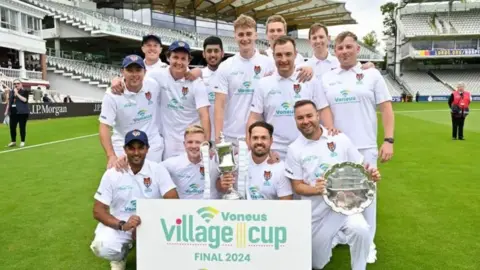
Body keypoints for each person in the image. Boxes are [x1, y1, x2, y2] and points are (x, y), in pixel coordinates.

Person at [321, 31, 394, 262]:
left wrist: (388, 140)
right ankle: (339, 235)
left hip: (365, 146)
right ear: (335, 51)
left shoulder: (371, 75)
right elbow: (324, 109)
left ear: (357, 49)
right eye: (340, 48)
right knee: (336, 195)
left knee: (367, 198)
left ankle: (368, 243)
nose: (344, 51)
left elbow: (386, 109)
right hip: (337, 148)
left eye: (348, 47)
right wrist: (331, 129)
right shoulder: (327, 77)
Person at [284, 100, 381, 270]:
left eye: (309, 116)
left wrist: (370, 176)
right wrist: (316, 189)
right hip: (316, 215)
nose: (305, 121)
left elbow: (359, 169)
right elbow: (297, 186)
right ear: (295, 121)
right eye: (300, 118)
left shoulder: (339, 139)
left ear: (317, 115)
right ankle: (336, 237)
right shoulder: (294, 149)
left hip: (343, 208)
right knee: (315, 264)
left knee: (361, 229)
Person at [90, 129, 179, 270]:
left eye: (140, 148)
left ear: (147, 149)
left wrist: (151, 224)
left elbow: (173, 201)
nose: (136, 153)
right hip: (121, 224)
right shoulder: (112, 174)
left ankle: (148, 247)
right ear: (125, 149)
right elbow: (98, 211)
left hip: (152, 223)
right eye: (131, 148)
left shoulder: (157, 170)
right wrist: (122, 225)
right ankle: (121, 255)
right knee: (102, 247)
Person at [247, 36, 334, 160]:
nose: (284, 59)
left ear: (295, 55)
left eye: (288, 54)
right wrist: (253, 146)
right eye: (279, 55)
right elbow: (255, 117)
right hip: (274, 153)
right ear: (273, 56)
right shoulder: (263, 83)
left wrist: (328, 138)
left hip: (307, 150)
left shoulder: (310, 80)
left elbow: (323, 109)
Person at [211, 14, 276, 145]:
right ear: (235, 36)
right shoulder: (225, 66)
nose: (245, 38)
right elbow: (219, 105)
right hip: (231, 136)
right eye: (241, 34)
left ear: (255, 35)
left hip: (259, 136)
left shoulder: (268, 64)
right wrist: (218, 137)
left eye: (248, 34)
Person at [99, 54, 164, 168]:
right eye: (130, 70)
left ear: (145, 71)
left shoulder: (153, 85)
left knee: (152, 183)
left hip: (152, 145)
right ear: (122, 72)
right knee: (124, 184)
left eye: (138, 70)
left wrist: (197, 71)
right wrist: (111, 156)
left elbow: (176, 71)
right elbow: (104, 126)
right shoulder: (112, 95)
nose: (134, 75)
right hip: (123, 146)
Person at [155, 40, 211, 159]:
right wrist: (119, 80)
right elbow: (136, 77)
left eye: (183, 58)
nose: (179, 62)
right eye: (175, 57)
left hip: (192, 143)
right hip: (168, 144)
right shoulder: (158, 75)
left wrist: (206, 143)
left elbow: (204, 115)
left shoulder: (197, 83)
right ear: (168, 57)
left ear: (189, 61)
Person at [218, 121, 293, 200]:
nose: (259, 142)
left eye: (263, 138)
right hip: (238, 211)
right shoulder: (236, 162)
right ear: (249, 140)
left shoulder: (280, 168)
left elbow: (286, 202)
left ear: (271, 141)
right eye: (255, 138)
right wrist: (222, 184)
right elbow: (220, 186)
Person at [162, 125, 219, 199]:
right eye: (190, 142)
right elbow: (155, 171)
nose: (194, 146)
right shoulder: (172, 164)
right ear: (184, 144)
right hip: (184, 209)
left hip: (210, 209)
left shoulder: (215, 162)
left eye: (198, 142)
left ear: (205, 145)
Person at [201, 36, 224, 142]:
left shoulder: (229, 74)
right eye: (209, 51)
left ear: (222, 53)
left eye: (216, 51)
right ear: (203, 54)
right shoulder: (198, 76)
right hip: (205, 136)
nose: (213, 54)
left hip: (226, 134)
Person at [4, 79, 29, 147]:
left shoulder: (25, 91)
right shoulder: (11, 92)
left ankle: (22, 141)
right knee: (12, 127)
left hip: (22, 112)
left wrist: (17, 93)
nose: (16, 85)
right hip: (13, 112)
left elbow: (25, 100)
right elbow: (10, 101)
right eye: (15, 84)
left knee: (22, 127)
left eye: (18, 83)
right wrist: (6, 110)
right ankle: (13, 141)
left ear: (21, 84)